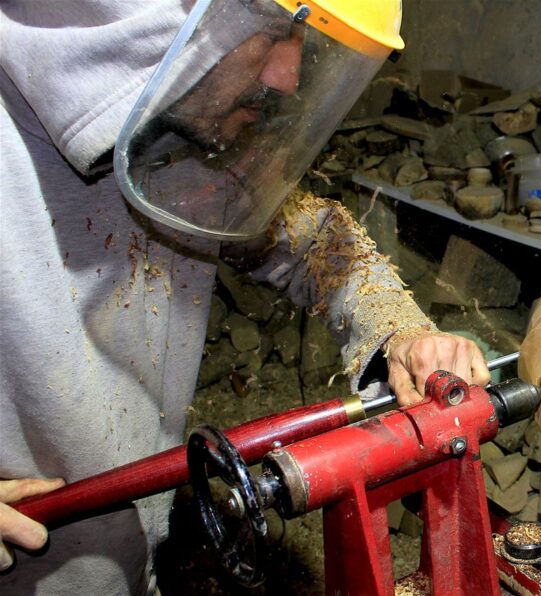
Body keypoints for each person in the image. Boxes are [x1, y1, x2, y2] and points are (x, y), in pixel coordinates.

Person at [0, 1, 490, 592]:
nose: (287, 76)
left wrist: (401, 333)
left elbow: (318, 242)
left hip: (135, 555)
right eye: (273, 34)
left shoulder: (181, 135)